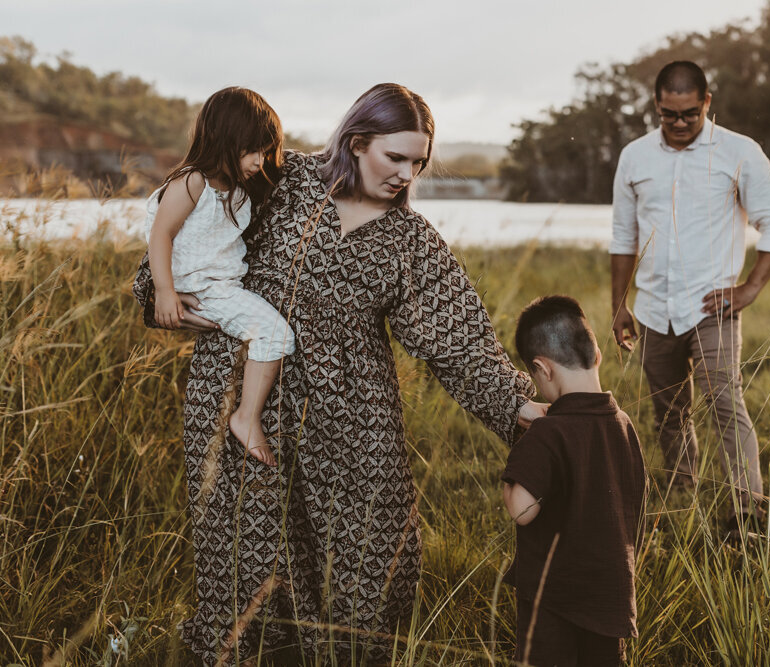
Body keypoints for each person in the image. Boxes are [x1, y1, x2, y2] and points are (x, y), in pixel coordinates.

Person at [133, 83, 546, 665]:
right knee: (246, 560)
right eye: (395, 157)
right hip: (243, 398)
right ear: (356, 143)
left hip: (353, 415)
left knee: (371, 555)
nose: (407, 174)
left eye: (418, 163)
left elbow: (459, 342)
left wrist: (517, 405)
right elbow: (185, 232)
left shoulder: (410, 241)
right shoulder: (282, 182)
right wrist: (166, 298)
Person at [609, 61, 770, 541]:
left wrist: (750, 288)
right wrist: (619, 304)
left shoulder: (739, 152)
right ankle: (681, 500)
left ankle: (748, 513)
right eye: (669, 114)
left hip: (712, 308)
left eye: (689, 113)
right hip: (651, 309)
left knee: (725, 402)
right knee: (669, 413)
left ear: (707, 103)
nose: (680, 123)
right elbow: (623, 236)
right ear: (656, 106)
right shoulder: (634, 157)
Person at [145, 86, 294, 468]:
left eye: (267, 150)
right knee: (275, 334)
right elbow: (161, 234)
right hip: (206, 288)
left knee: (270, 333)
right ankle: (246, 417)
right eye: (253, 150)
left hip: (220, 287)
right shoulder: (193, 182)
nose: (261, 160)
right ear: (224, 141)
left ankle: (246, 413)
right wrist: (165, 292)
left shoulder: (241, 190)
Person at [503, 296, 647, 667]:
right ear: (597, 355)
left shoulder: (547, 433)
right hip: (611, 600)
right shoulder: (624, 425)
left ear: (542, 369)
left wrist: (513, 472)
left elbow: (522, 510)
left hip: (553, 604)